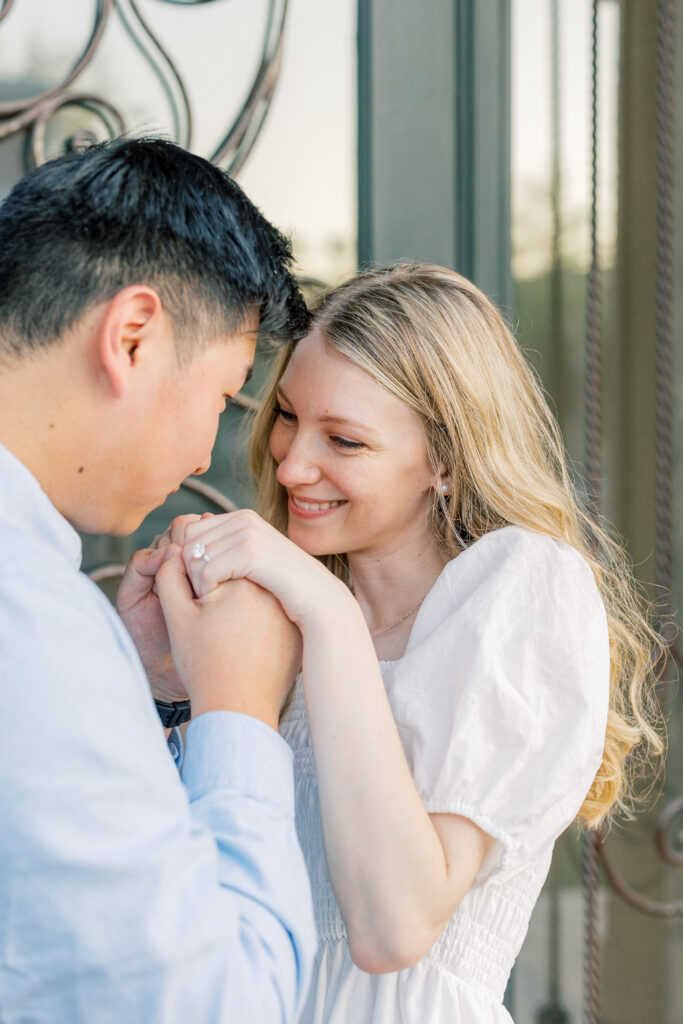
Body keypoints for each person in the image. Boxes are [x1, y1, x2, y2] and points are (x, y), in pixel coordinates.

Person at [153, 265, 664, 1023]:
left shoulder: (522, 587)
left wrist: (326, 616)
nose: (292, 464)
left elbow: (393, 926)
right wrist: (168, 687)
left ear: (446, 461)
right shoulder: (265, 617)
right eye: (288, 416)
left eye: (345, 440)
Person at [0, 137, 317, 1023]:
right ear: (132, 338)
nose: (197, 455)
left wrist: (131, 691)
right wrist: (239, 715)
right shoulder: (30, 618)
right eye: (223, 398)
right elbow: (224, 1005)